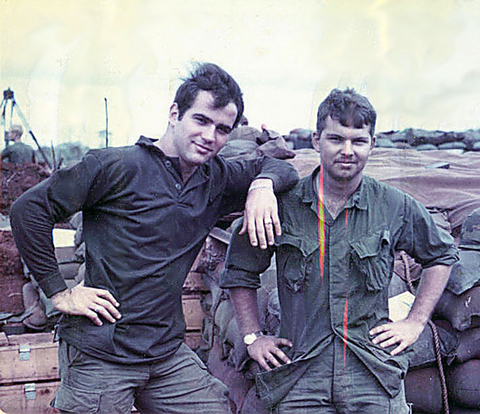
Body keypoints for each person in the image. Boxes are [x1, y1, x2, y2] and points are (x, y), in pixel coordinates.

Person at [10, 62, 299, 414]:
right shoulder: (115, 166)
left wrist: (262, 186)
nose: (211, 136)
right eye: (201, 120)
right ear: (175, 114)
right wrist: (60, 292)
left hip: (164, 353)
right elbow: (28, 210)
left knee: (216, 407)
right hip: (102, 351)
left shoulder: (215, 177)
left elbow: (282, 167)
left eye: (223, 129)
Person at [221, 88, 459, 413]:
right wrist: (252, 337)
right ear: (317, 140)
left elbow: (441, 256)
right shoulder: (284, 205)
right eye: (336, 139)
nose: (347, 151)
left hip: (371, 371)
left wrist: (416, 322)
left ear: (372, 144)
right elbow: (240, 270)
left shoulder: (393, 205)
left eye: (358, 141)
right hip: (300, 370)